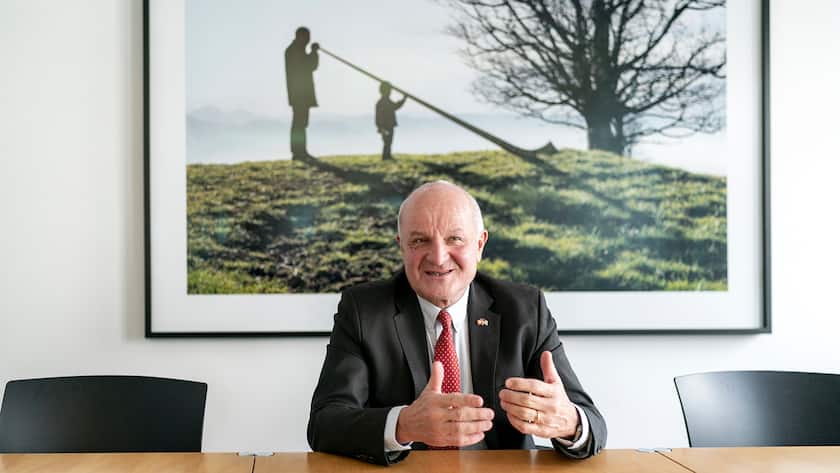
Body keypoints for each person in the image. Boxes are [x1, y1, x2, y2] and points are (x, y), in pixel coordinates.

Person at [307, 181, 606, 465]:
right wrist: (403, 425)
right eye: (420, 240)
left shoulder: (525, 309)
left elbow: (594, 427)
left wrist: (568, 422)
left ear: (479, 244)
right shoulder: (363, 310)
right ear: (402, 246)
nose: (438, 258)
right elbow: (324, 423)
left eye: (455, 239)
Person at [284, 27, 319, 160]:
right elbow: (310, 66)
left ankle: (300, 150)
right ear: (301, 37)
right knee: (299, 122)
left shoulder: (295, 50)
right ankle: (298, 151)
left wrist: (312, 53)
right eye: (307, 37)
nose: (309, 40)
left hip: (299, 93)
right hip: (300, 93)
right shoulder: (295, 51)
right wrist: (314, 52)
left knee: (301, 122)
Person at [375, 82, 408, 160]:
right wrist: (403, 99)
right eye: (389, 91)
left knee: (388, 142)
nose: (390, 92)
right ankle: (386, 156)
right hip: (386, 126)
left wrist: (403, 99)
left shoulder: (382, 102)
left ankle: (387, 156)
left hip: (386, 126)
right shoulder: (384, 102)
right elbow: (395, 106)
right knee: (387, 141)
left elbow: (395, 106)